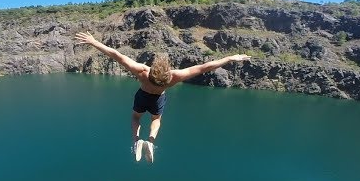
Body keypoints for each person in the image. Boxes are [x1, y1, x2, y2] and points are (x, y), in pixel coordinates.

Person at [75, 31, 251, 163]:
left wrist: (94, 42)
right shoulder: (174, 77)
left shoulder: (142, 71)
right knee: (156, 119)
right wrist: (230, 58)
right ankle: (151, 141)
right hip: (158, 99)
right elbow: (206, 66)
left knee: (136, 117)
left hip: (143, 95)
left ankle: (137, 141)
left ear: (152, 69)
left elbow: (116, 55)